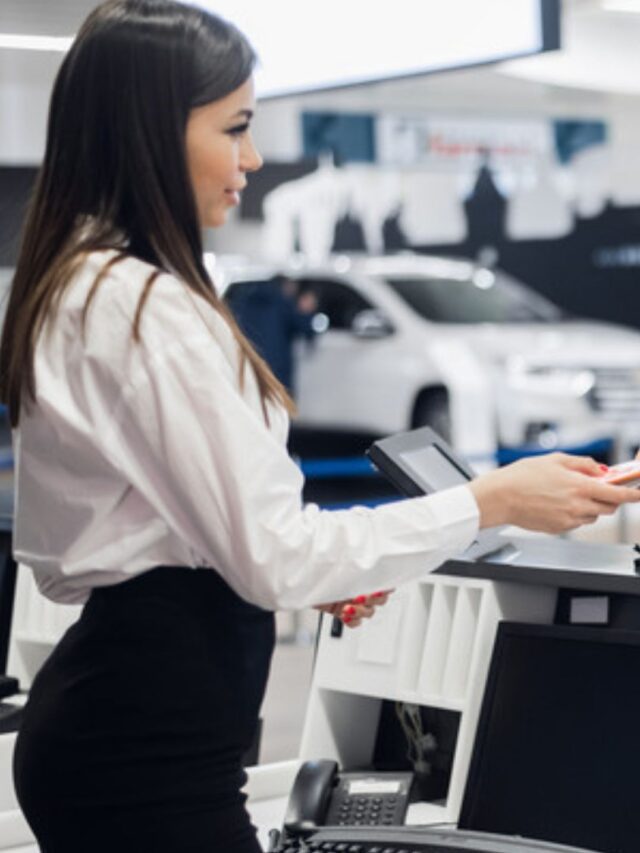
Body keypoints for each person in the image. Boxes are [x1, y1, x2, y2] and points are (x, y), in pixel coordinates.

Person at [0, 2, 638, 851]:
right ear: (151, 130)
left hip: (123, 718)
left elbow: (201, 541)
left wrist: (309, 569)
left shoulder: (85, 283)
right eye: (235, 128)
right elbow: (276, 554)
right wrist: (489, 501)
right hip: (144, 748)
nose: (253, 158)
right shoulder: (141, 304)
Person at [225, 274, 317, 395]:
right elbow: (307, 328)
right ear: (285, 286)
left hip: (248, 371)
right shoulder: (283, 304)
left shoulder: (241, 301)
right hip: (277, 376)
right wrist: (307, 310)